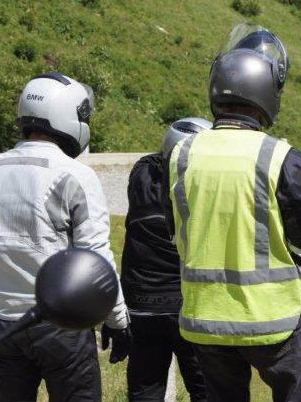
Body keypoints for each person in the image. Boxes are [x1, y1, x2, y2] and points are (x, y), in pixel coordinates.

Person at [163, 23, 301, 402]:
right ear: (268, 94)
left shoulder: (180, 156)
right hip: (273, 323)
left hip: (205, 321)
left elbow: (175, 235)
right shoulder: (280, 158)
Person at [0, 72, 131, 402]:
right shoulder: (75, 176)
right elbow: (97, 259)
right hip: (63, 327)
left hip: (3, 324)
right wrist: (117, 320)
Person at [120, 118, 211, 402]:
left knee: (145, 388)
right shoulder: (206, 191)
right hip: (189, 305)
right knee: (205, 389)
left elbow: (153, 159)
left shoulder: (141, 175)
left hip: (142, 304)